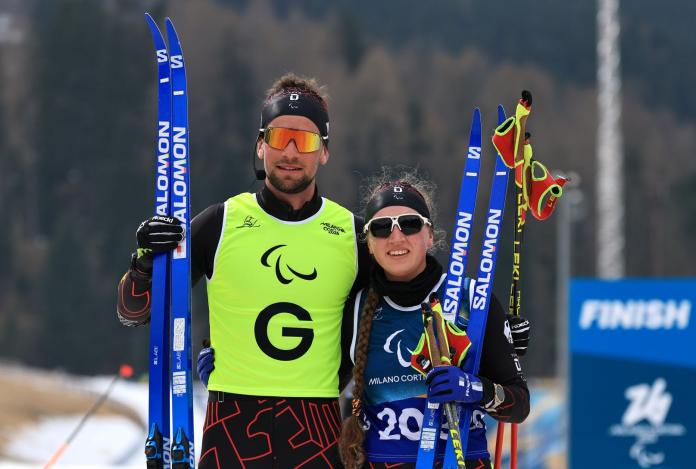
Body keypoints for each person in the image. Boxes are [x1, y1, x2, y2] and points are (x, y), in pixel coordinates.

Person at [117, 73, 371, 468]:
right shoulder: (220, 223)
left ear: (324, 151)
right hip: (232, 423)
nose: (289, 151)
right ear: (260, 144)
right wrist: (146, 262)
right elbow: (134, 313)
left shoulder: (353, 234)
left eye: (303, 140)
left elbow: (397, 311)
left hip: (316, 427)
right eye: (278, 136)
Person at [337, 173, 530, 469]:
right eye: (381, 228)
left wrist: (474, 389)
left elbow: (519, 405)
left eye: (410, 224)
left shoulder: (471, 299)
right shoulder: (355, 307)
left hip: (459, 460)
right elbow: (319, 393)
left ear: (429, 235)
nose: (396, 237)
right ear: (369, 244)